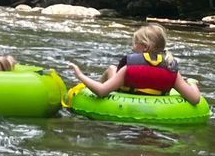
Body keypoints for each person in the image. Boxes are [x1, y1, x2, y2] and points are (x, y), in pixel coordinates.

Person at [69, 23, 202, 104]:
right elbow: (195, 99)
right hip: (158, 104)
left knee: (111, 69)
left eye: (135, 43)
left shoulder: (128, 69)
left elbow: (102, 92)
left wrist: (80, 75)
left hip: (123, 99)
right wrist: (192, 83)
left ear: (144, 47)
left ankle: (89, 88)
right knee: (112, 69)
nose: (132, 48)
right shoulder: (170, 69)